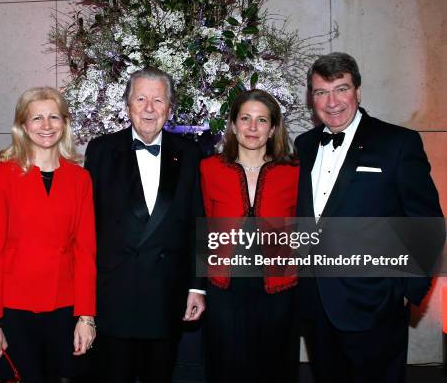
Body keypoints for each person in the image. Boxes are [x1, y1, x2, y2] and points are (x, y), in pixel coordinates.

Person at [295, 52, 444, 382]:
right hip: (315, 305)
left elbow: (427, 222)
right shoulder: (303, 146)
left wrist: (407, 290)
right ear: (311, 97)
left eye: (341, 89)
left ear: (358, 91)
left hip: (375, 304)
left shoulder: (397, 143)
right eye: (321, 92)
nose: (332, 102)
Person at [84, 67, 205, 383]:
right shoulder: (100, 150)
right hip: (114, 293)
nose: (149, 108)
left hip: (167, 293)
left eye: (158, 100)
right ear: (127, 106)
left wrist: (196, 285)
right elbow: (88, 226)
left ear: (169, 107)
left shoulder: (192, 153)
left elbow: (198, 224)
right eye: (141, 99)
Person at [0, 87, 96, 382]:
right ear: (22, 125)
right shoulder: (4, 174)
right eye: (37, 118)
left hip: (65, 307)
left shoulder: (80, 178)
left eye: (54, 117)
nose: (46, 126)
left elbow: (86, 253)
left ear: (65, 123)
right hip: (14, 308)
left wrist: (86, 317)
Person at [200, 89, 299, 382]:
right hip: (224, 291)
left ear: (273, 129)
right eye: (245, 118)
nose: (252, 128)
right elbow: (203, 227)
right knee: (226, 368)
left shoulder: (294, 171)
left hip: (279, 290)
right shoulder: (209, 168)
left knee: (274, 370)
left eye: (262, 120)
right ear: (233, 125)